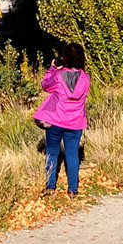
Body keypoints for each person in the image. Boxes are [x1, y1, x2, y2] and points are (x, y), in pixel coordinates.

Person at [34, 44, 90, 196]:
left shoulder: (58, 76)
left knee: (52, 152)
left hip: (56, 120)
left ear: (65, 58)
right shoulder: (86, 78)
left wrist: (52, 69)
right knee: (72, 155)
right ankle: (72, 190)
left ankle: (50, 187)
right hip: (76, 122)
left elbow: (45, 85)